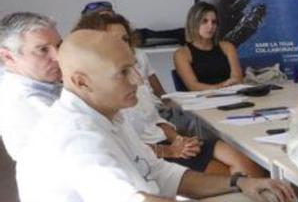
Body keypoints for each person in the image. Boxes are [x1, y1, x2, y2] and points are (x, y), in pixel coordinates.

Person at [16, 30, 295, 202]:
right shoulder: (77, 137)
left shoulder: (103, 115)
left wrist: (239, 183)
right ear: (81, 81)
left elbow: (162, 174)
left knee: (276, 199)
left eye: (134, 67)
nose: (138, 79)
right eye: (123, 72)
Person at [75, 11, 265, 177]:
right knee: (240, 175)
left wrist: (177, 138)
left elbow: (155, 118)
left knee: (248, 163)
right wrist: (171, 151)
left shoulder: (135, 80)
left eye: (125, 40)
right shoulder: (101, 99)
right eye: (113, 40)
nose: (122, 46)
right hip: (155, 157)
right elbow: (129, 148)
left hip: (167, 143)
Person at [0, 11, 61, 163]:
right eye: (43, 50)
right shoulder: (26, 103)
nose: (57, 56)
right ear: (8, 57)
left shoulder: (43, 82)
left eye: (59, 46)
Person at [173, 2, 244, 91]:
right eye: (204, 21)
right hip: (202, 100)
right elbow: (193, 86)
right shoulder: (182, 54)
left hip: (232, 96)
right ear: (194, 23)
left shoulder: (227, 47)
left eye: (214, 22)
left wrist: (225, 87)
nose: (210, 26)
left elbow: (237, 79)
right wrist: (221, 87)